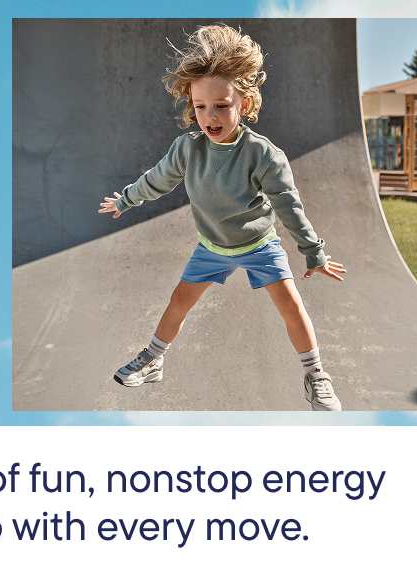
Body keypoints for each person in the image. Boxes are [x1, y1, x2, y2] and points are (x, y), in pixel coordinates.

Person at [97, 24, 347, 411]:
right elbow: (158, 180)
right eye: (200, 107)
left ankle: (316, 376)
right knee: (178, 301)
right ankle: (154, 359)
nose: (209, 116)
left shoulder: (263, 155)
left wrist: (314, 252)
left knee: (291, 307)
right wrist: (127, 200)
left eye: (222, 106)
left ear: (244, 104)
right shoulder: (188, 149)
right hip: (212, 247)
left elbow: (288, 204)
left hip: (259, 245)